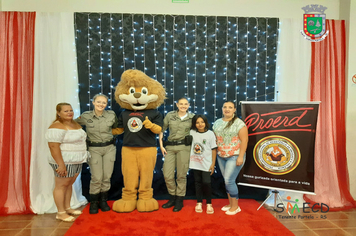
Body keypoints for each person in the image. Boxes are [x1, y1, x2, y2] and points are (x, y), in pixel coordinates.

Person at [45, 103, 89, 222]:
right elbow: (53, 146)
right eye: (65, 111)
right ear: (58, 113)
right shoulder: (56, 126)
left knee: (68, 184)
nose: (69, 112)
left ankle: (67, 207)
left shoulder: (74, 124)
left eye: (70, 110)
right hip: (64, 161)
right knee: (61, 186)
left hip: (76, 160)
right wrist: (61, 164)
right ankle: (61, 212)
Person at [76, 94, 118, 214]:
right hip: (94, 149)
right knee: (96, 177)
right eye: (98, 102)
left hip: (109, 148)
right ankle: (94, 202)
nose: (101, 105)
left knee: (106, 177)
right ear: (93, 102)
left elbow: (116, 128)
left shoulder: (111, 115)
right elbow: (73, 124)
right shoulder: (85, 116)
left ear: (106, 104)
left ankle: (103, 201)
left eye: (104, 103)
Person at [212, 101, 248, 215]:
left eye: (230, 107)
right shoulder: (217, 123)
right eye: (225, 107)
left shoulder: (239, 124)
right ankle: (230, 204)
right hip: (221, 156)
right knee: (227, 181)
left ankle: (236, 206)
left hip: (235, 155)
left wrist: (241, 156)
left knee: (229, 180)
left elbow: (244, 141)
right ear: (222, 109)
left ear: (234, 110)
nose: (227, 109)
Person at [159, 97, 195, 212]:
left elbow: (198, 131)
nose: (183, 106)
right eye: (181, 104)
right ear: (177, 104)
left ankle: (179, 200)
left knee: (181, 175)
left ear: (188, 105)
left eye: (185, 104)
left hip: (184, 148)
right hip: (170, 147)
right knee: (167, 175)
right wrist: (161, 145)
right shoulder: (170, 115)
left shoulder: (192, 117)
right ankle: (172, 197)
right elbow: (162, 129)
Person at [189, 114, 217, 214]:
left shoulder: (210, 134)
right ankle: (199, 202)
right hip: (195, 162)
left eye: (202, 122)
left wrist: (213, 164)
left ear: (205, 123)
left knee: (207, 182)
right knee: (197, 182)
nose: (200, 124)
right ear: (194, 124)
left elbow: (214, 149)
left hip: (206, 163)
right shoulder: (191, 132)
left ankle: (209, 203)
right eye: (197, 122)